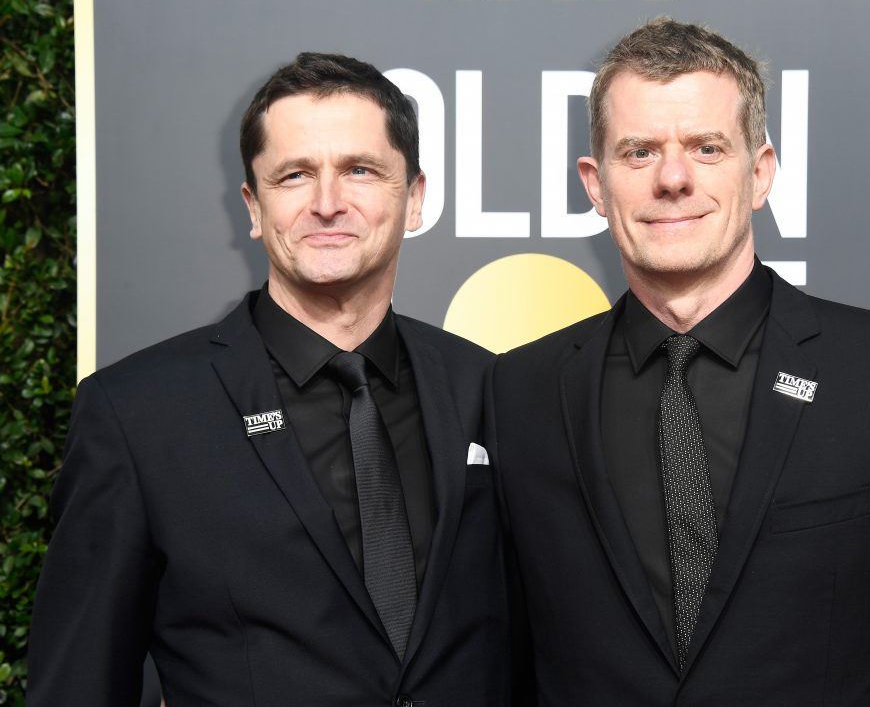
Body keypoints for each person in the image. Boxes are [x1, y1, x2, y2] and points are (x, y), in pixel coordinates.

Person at [489, 18, 870, 705]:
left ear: (761, 172)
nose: (673, 178)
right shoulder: (521, 391)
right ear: (595, 184)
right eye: (639, 152)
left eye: (707, 148)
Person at [28, 53, 510, 705]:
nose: (328, 203)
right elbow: (79, 685)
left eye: (360, 171)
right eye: (294, 176)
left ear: (416, 198)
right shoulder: (138, 414)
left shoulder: (490, 387)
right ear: (253, 208)